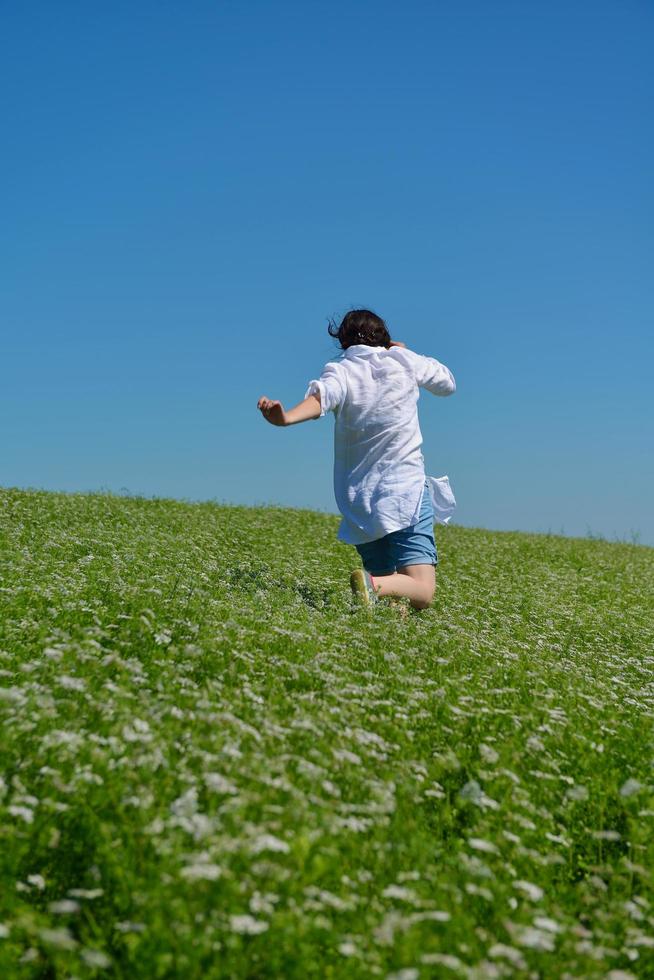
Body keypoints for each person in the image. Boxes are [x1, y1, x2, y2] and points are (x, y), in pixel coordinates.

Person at [257, 309, 456, 610]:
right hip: (406, 493)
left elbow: (320, 400)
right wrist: (404, 351)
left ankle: (379, 600)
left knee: (393, 600)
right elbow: (447, 383)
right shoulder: (404, 360)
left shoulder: (342, 370)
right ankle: (373, 584)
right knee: (422, 592)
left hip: (360, 504)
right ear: (385, 338)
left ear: (343, 342)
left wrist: (284, 418)